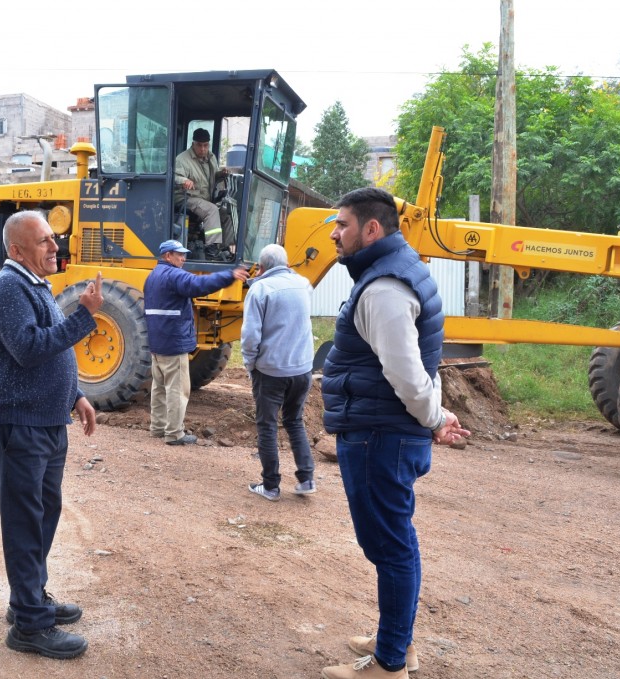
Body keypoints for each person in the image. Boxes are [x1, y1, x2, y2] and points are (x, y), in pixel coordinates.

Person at [320, 188, 470, 679]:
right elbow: (424, 359)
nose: (334, 233)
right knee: (394, 543)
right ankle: (397, 641)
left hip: (378, 435)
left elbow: (405, 372)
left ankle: (388, 665)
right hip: (386, 431)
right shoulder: (401, 269)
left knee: (390, 548)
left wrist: (434, 418)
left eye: (342, 224)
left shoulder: (384, 288)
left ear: (371, 229)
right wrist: (436, 414)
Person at [0, 210, 104, 660]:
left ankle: (28, 600)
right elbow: (30, 349)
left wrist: (76, 395)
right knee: (24, 522)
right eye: (44, 241)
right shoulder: (7, 288)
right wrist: (84, 316)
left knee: (43, 515)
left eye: (54, 238)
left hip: (47, 421)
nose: (55, 247)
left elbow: (51, 348)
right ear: (17, 250)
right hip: (20, 425)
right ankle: (29, 626)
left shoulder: (34, 285)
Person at [145, 239, 249, 445]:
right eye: (179, 254)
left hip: (157, 342)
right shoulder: (174, 275)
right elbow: (200, 284)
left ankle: (158, 427)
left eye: (184, 254)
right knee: (177, 389)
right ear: (168, 256)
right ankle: (174, 433)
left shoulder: (152, 276)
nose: (184, 258)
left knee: (159, 387)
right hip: (174, 342)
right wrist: (229, 275)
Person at [240, 243, 316, 502]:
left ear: (261, 267)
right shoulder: (304, 285)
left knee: (267, 425)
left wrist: (250, 364)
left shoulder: (260, 289)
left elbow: (251, 335)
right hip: (302, 368)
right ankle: (306, 479)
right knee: (294, 420)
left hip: (271, 370)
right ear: (287, 264)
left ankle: (271, 486)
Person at [174, 128, 234, 261]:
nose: (203, 149)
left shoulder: (211, 158)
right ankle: (211, 249)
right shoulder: (182, 159)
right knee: (211, 210)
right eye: (199, 145)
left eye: (205, 145)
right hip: (185, 197)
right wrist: (184, 180)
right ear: (193, 144)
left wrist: (221, 174)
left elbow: (211, 176)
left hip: (203, 199)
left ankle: (222, 247)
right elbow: (174, 176)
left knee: (226, 213)